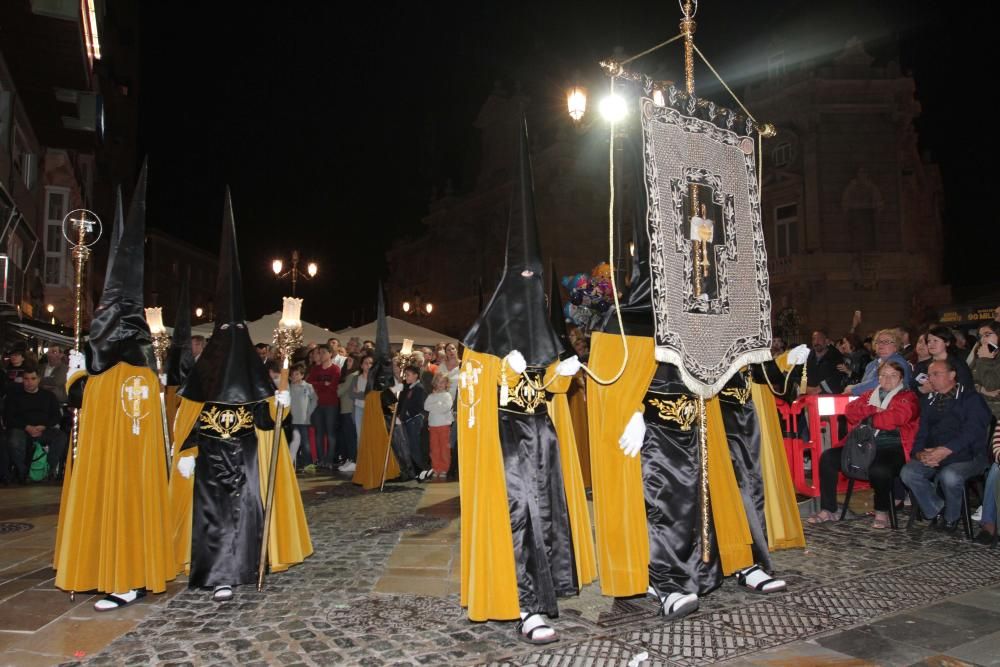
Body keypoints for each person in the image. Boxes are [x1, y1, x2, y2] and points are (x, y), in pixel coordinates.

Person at [458, 116, 595, 642]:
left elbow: (548, 395)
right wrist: (497, 372)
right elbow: (471, 399)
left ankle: (547, 592)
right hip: (505, 447)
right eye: (525, 280)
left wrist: (561, 374)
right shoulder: (484, 336)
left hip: (542, 440)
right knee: (520, 519)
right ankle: (523, 604)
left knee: (548, 517)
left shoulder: (542, 329)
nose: (532, 290)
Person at [171, 190, 311, 601]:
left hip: (246, 459)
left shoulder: (251, 380)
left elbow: (264, 422)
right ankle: (216, 575)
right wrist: (187, 455)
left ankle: (242, 569)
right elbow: (193, 420)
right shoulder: (206, 377)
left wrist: (279, 407)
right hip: (212, 460)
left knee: (246, 515)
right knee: (213, 517)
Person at [54, 169, 177, 610]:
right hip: (106, 460)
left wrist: (79, 380)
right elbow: (83, 405)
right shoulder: (109, 373)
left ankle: (127, 577)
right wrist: (78, 376)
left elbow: (106, 407)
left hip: (126, 467)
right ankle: (111, 570)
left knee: (126, 508)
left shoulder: (133, 377)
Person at [811, 360, 920, 528]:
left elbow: (895, 419)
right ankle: (829, 509)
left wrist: (869, 417)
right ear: (878, 378)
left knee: (880, 469)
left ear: (901, 378)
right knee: (828, 458)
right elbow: (850, 411)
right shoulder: (870, 394)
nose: (887, 379)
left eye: (893, 375)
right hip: (863, 445)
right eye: (883, 375)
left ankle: (881, 511)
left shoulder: (908, 397)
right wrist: (873, 411)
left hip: (893, 447)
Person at [900, 358, 992, 531]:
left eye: (936, 374)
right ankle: (937, 509)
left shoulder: (971, 399)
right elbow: (922, 433)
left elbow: (972, 432)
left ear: (952, 375)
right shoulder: (929, 401)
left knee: (950, 476)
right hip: (936, 455)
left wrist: (945, 450)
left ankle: (951, 517)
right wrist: (920, 454)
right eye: (929, 375)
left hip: (969, 455)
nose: (931, 379)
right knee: (909, 473)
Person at [4, 366, 67, 482]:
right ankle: (23, 473)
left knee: (60, 437)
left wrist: (44, 426)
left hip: (43, 429)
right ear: (23, 380)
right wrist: (27, 427)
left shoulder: (49, 396)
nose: (29, 382)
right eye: (26, 379)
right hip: (22, 429)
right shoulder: (14, 397)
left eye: (33, 379)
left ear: (39, 379)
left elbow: (56, 416)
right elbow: (9, 418)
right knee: (14, 440)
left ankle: (48, 470)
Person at [970, 321, 1000, 544]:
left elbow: (992, 383)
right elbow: (976, 386)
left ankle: (989, 521)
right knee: (995, 469)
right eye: (981, 336)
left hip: (994, 416)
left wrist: (987, 361)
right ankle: (989, 523)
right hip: (988, 419)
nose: (984, 340)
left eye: (988, 334)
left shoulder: (989, 359)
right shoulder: (982, 357)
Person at [844, 328, 912, 396]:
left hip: (894, 403)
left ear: (896, 346)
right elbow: (865, 384)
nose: (881, 345)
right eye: (878, 342)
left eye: (886, 342)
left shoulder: (898, 361)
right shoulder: (871, 364)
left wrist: (854, 389)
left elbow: (881, 383)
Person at [913, 326, 974, 396]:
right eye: (929, 341)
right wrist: (922, 390)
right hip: (925, 405)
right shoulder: (921, 366)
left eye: (935, 340)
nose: (931, 344)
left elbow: (966, 388)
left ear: (947, 342)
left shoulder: (958, 364)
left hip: (951, 404)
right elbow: (911, 389)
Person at [306, 344, 340, 468]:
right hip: (317, 404)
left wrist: (322, 385)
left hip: (331, 404)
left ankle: (329, 460)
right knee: (319, 433)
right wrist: (323, 383)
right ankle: (321, 459)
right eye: (320, 352)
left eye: (324, 352)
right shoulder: (316, 369)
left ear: (330, 354)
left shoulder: (335, 369)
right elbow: (310, 383)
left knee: (330, 433)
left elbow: (333, 387)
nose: (321, 355)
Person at [424, 372, 453, 479]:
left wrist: (435, 406)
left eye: (442, 382)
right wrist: (438, 404)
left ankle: (445, 468)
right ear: (435, 383)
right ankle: (436, 468)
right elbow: (426, 406)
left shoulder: (447, 396)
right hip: (433, 426)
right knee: (434, 448)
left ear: (446, 384)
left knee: (444, 448)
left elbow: (446, 408)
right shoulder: (431, 396)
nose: (440, 384)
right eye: (438, 382)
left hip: (444, 425)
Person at [289, 363, 317, 469]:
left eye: (297, 374)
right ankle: (292, 462)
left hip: (304, 420)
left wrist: (309, 411)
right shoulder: (288, 387)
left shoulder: (308, 386)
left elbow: (314, 399)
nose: (295, 376)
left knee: (305, 442)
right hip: (292, 419)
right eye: (293, 374)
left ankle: (308, 463)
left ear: (302, 375)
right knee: (293, 442)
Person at [336, 355, 359, 472]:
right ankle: (349, 459)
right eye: (347, 360)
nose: (347, 362)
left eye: (350, 360)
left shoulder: (352, 375)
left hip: (349, 409)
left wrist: (335, 387)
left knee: (350, 436)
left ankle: (353, 459)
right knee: (347, 436)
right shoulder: (350, 375)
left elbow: (340, 391)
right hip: (345, 408)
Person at [805, 330, 847, 394]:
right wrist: (805, 388)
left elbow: (838, 376)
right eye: (814, 339)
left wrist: (819, 388)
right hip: (809, 395)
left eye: (819, 339)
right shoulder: (807, 357)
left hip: (829, 397)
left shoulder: (835, 356)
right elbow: (800, 375)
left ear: (827, 341)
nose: (816, 342)